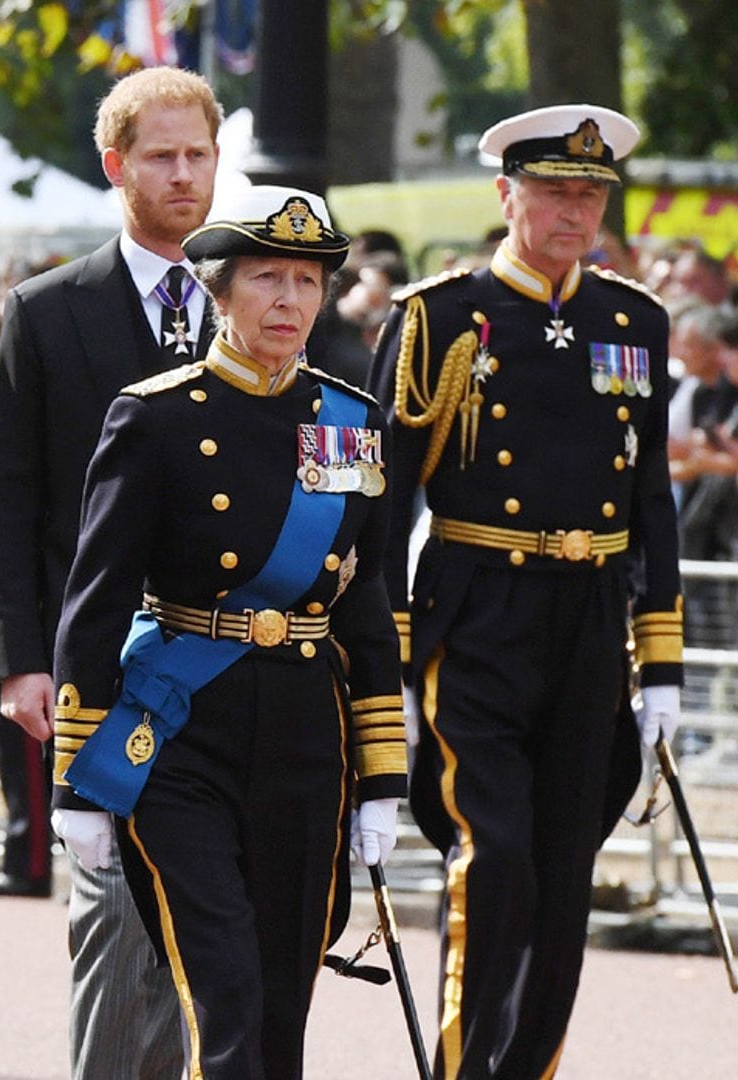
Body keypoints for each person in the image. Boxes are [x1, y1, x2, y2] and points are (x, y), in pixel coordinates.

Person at [54, 187, 404, 1079]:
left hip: (304, 736)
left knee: (284, 1006)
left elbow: (366, 610)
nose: (288, 301)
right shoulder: (158, 413)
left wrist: (381, 777)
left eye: (307, 281)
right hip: (180, 736)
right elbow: (96, 596)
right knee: (230, 997)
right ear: (216, 289)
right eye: (265, 279)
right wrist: (75, 779)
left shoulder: (351, 423)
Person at [369, 104, 676, 1080]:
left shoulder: (634, 320)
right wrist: (386, 651)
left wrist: (659, 660)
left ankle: (525, 1071)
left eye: (589, 195)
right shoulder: (440, 316)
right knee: (494, 858)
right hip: (480, 610)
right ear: (508, 196)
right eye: (554, 192)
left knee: (562, 875)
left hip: (588, 621)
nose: (574, 211)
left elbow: (653, 497)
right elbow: (386, 498)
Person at [0, 65, 219, 1072]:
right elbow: (12, 503)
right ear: (116, 166)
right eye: (161, 156)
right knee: (117, 919)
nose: (182, 176)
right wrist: (18, 660)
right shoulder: (47, 310)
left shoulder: (263, 294)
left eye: (198, 155)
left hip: (235, 664)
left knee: (221, 937)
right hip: (105, 668)